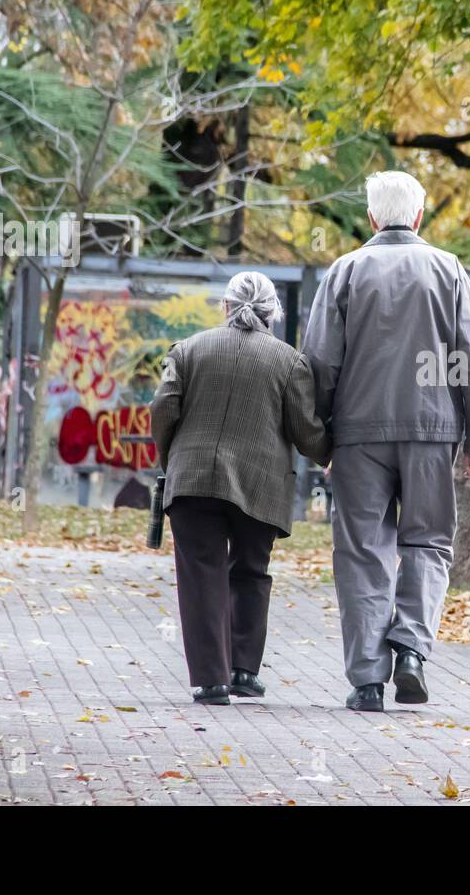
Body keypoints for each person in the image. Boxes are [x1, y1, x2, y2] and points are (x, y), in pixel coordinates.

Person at [303, 170, 470, 713]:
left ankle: (367, 681)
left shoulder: (344, 272)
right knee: (428, 543)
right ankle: (411, 649)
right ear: (418, 217)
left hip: (358, 436)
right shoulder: (449, 270)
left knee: (363, 552)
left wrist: (323, 442)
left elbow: (319, 364)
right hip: (432, 433)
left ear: (371, 218)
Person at [151, 272, 330, 705]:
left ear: (225, 307)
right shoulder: (289, 361)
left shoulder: (189, 350)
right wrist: (333, 456)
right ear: (273, 314)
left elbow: (163, 408)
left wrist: (169, 457)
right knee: (251, 571)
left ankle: (212, 681)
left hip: (193, 480)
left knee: (201, 575)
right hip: (260, 485)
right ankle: (244, 670)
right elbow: (306, 432)